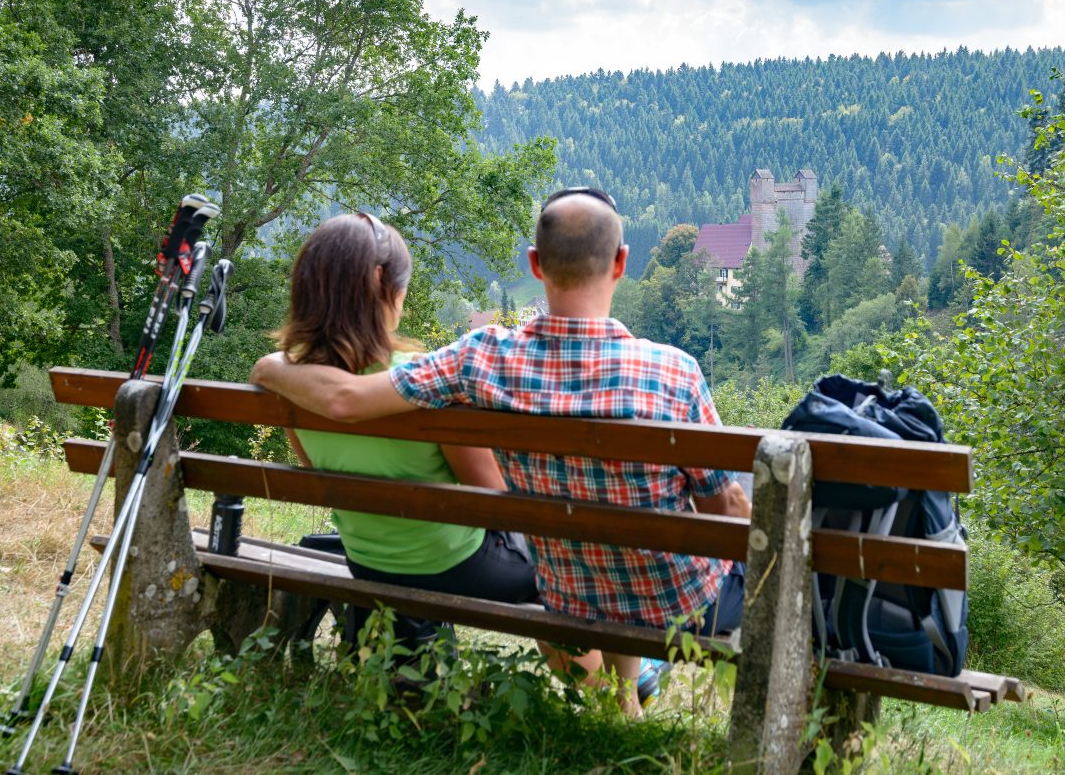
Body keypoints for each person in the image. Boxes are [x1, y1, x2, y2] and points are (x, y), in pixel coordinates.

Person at [253, 188, 750, 715]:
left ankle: (618, 699)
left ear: (534, 265)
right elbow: (725, 513)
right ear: (621, 262)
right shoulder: (677, 372)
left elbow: (344, 403)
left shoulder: (482, 355)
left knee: (579, 550)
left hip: (562, 586)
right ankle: (625, 695)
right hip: (681, 603)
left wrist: (272, 366)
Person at [273, 212, 537, 648]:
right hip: (456, 566)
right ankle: (619, 686)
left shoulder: (293, 382)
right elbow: (492, 501)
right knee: (559, 560)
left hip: (367, 560)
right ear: (383, 286)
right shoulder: (424, 380)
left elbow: (319, 473)